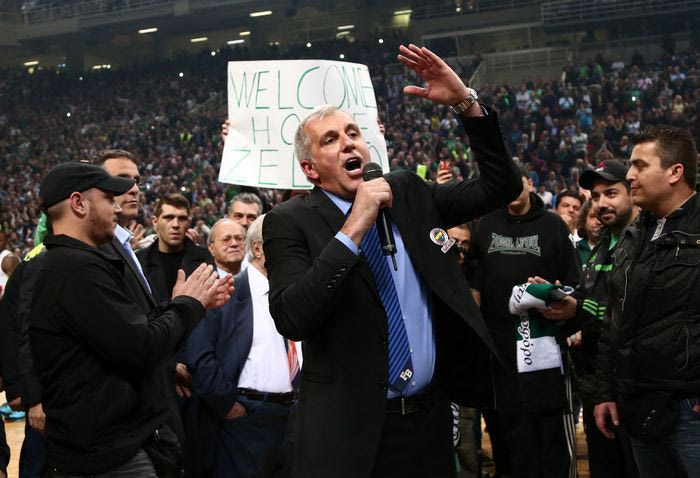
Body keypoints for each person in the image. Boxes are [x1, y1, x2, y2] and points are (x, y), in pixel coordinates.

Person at [263, 44, 522, 478]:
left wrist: (466, 104)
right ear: (310, 169)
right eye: (331, 139)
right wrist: (355, 226)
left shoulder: (407, 191)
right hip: (353, 432)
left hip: (430, 418)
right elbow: (292, 316)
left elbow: (501, 186)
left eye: (353, 133)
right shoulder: (288, 221)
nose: (348, 142)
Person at [28, 161, 232, 476]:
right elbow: (142, 345)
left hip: (109, 444)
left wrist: (187, 303)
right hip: (108, 453)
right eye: (109, 198)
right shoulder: (75, 269)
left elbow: (127, 330)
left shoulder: (74, 263)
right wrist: (187, 304)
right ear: (79, 203)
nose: (117, 207)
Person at [592, 126, 700, 477]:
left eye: (640, 165)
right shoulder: (633, 234)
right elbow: (614, 320)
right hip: (638, 406)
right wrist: (606, 390)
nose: (629, 175)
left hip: (689, 408)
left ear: (675, 172)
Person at [468, 166, 581, 478]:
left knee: (551, 437)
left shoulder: (553, 225)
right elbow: (475, 283)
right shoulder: (486, 225)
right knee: (509, 435)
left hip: (544, 347)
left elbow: (574, 284)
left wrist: (560, 299)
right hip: (500, 350)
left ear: (530, 184)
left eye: (517, 182)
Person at [185, 214, 298, 477]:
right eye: (286, 243)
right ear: (258, 249)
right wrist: (228, 406)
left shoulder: (295, 294)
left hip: (293, 419)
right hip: (246, 419)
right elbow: (200, 356)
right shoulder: (223, 292)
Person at [137, 194, 214, 303]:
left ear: (188, 223)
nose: (176, 225)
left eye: (182, 219)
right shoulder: (138, 262)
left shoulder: (205, 258)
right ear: (155, 222)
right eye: (169, 218)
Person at [575, 199, 604, 266]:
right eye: (593, 216)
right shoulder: (574, 249)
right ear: (584, 221)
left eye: (601, 216)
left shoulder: (617, 249)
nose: (598, 222)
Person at [0, 231, 21, 298]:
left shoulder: (10, 257)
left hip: (7, 299)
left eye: (0, 240)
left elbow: (18, 282)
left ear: (6, 242)